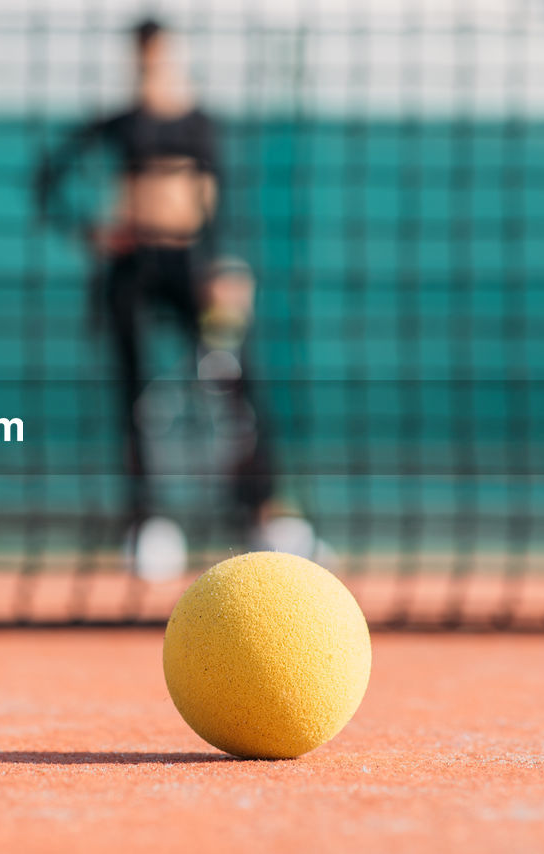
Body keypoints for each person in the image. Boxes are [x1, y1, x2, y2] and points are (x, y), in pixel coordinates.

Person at [34, 18, 328, 575]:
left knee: (235, 386)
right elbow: (48, 180)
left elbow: (214, 204)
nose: (153, 65)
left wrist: (222, 268)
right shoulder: (117, 124)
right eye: (144, 56)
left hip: (193, 269)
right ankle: (146, 523)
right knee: (134, 395)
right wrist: (93, 230)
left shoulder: (201, 126)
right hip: (132, 268)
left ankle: (265, 516)